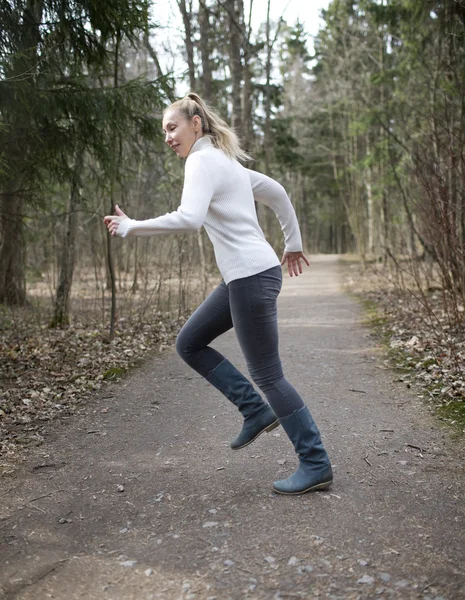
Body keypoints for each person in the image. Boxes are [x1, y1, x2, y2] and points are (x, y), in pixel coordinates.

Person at [104, 92, 332, 495]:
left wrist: (132, 226)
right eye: (163, 132)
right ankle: (253, 410)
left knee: (268, 374)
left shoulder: (202, 160)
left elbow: (190, 219)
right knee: (189, 343)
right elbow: (277, 191)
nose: (168, 137)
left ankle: (315, 462)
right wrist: (292, 242)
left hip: (250, 277)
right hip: (244, 277)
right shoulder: (223, 161)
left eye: (172, 127)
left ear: (197, 124)